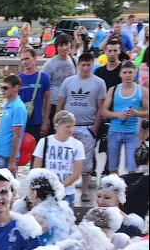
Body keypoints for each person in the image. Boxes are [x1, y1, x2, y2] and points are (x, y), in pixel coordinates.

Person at [58, 52, 108, 199]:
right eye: (83, 65)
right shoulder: (68, 81)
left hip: (88, 125)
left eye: (88, 65)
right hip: (69, 125)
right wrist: (60, 125)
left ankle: (85, 190)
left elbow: (100, 107)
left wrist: (95, 128)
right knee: (66, 158)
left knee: (86, 160)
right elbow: (61, 103)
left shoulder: (99, 82)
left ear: (92, 65)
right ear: (78, 65)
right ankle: (66, 188)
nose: (85, 68)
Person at [101, 61, 148, 174]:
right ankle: (113, 189)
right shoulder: (113, 90)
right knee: (112, 167)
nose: (127, 75)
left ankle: (130, 190)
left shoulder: (141, 90)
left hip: (132, 133)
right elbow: (104, 112)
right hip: (115, 131)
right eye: (125, 72)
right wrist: (118, 115)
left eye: (130, 72)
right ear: (120, 74)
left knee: (132, 167)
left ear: (135, 73)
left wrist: (137, 113)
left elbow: (147, 111)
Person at [31, 111, 85, 206]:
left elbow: (76, 174)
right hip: (45, 192)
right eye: (67, 127)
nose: (71, 130)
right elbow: (36, 170)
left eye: (73, 126)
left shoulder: (77, 145)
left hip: (66, 193)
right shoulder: (44, 142)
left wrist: (59, 186)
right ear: (56, 126)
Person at [0, 75, 27, 173]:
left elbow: (16, 135)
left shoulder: (18, 107)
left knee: (7, 187)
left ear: (16, 88)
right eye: (2, 88)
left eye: (6, 88)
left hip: (7, 157)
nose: (3, 90)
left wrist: (12, 161)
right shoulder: (7, 105)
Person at [18, 48, 52, 140]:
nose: (24, 62)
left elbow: (47, 100)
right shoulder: (19, 78)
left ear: (34, 58)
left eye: (27, 58)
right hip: (22, 122)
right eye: (22, 60)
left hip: (37, 122)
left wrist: (45, 120)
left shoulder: (44, 77)